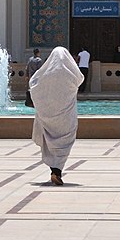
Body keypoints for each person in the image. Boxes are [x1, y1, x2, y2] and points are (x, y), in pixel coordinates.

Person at [28, 47, 84, 186]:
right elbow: (80, 79)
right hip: (66, 117)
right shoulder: (71, 73)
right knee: (65, 143)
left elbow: (33, 84)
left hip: (49, 116)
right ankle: (57, 170)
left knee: (49, 141)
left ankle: (54, 170)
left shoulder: (45, 74)